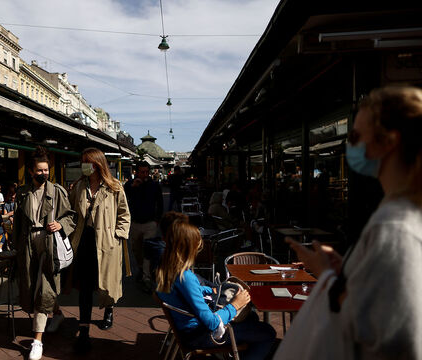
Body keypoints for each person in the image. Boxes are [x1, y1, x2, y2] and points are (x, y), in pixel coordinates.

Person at [275, 86, 422, 360]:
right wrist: (351, 270)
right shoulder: (399, 214)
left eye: (355, 136)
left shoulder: (395, 227)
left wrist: (329, 277)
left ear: (388, 142)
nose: (350, 144)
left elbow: (398, 338)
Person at [156, 220, 276, 360]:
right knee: (268, 332)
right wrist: (235, 304)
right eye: (197, 247)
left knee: (252, 318)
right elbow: (211, 322)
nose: (198, 251)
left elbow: (188, 292)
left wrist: (209, 290)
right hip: (199, 335)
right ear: (188, 249)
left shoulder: (167, 269)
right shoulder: (185, 277)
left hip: (187, 330)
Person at [13, 147, 75, 360]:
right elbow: (19, 224)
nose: (43, 174)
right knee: (33, 286)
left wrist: (61, 224)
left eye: (46, 170)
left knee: (44, 289)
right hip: (28, 245)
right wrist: (16, 249)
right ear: (31, 171)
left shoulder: (58, 191)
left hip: (50, 245)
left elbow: (70, 216)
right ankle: (56, 313)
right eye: (39, 170)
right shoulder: (22, 192)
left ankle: (37, 341)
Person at [68, 147, 131, 352]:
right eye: (82, 162)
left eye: (88, 162)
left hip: (107, 242)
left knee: (106, 282)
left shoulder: (114, 187)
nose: (84, 166)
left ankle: (109, 310)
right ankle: (84, 329)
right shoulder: (78, 186)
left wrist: (118, 235)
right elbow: (71, 213)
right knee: (85, 286)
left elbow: (124, 214)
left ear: (98, 164)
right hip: (83, 241)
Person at [124, 161, 163, 286]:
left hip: (150, 223)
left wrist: (157, 219)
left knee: (147, 249)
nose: (145, 174)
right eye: (142, 172)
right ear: (136, 172)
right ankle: (142, 268)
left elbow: (160, 202)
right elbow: (123, 199)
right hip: (135, 222)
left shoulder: (154, 185)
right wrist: (132, 187)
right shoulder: (130, 184)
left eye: (147, 172)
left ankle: (146, 276)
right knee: (136, 249)